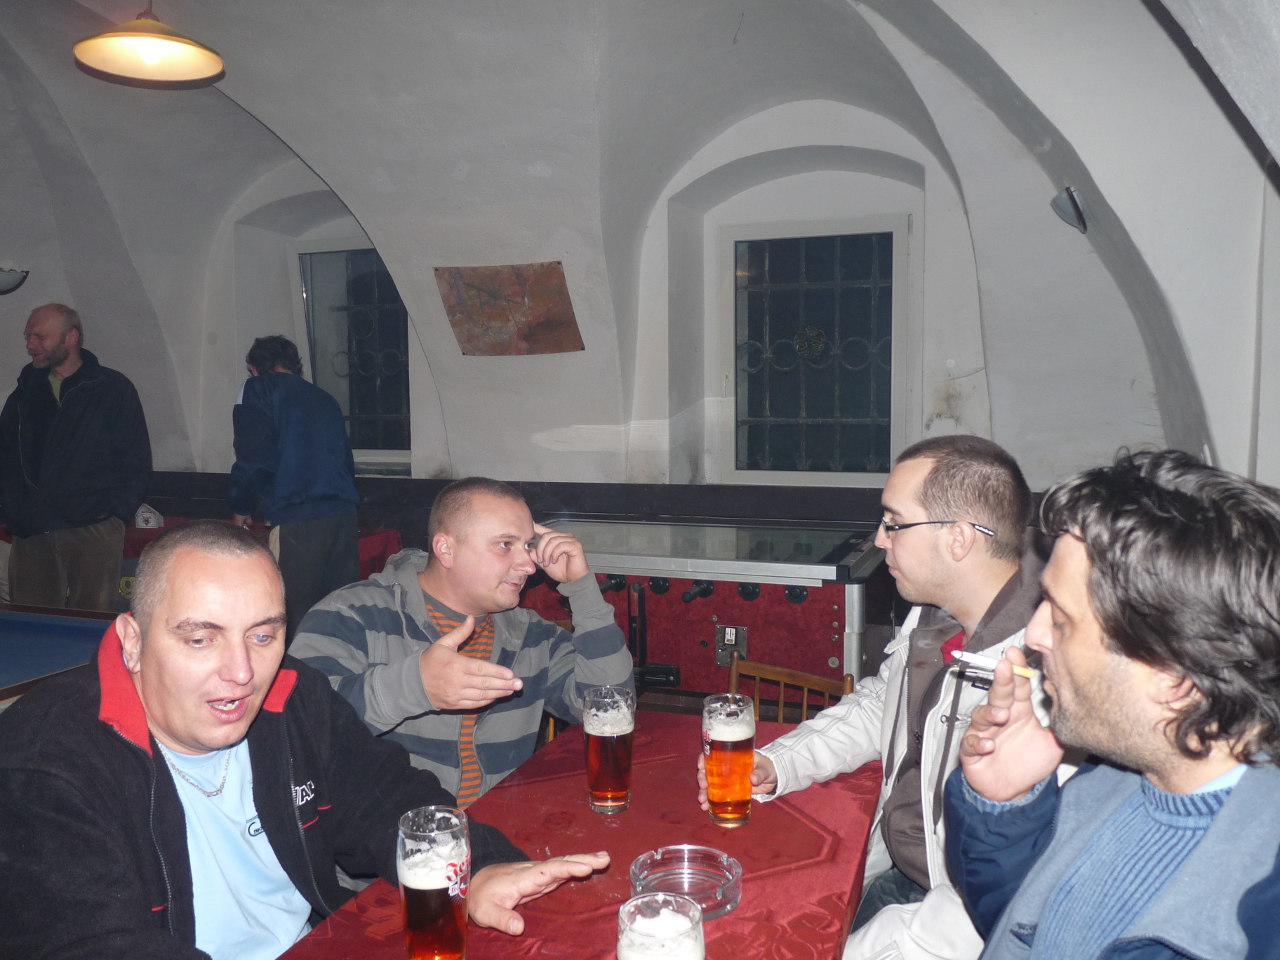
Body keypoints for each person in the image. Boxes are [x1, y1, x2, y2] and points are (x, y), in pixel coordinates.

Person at [0, 520, 609, 960]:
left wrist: (479, 869)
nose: (241, 672)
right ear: (132, 641)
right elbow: (93, 945)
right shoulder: (47, 760)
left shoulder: (292, 697)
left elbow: (386, 795)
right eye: (201, 639)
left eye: (263, 636)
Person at [697, 435, 1046, 960]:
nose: (879, 539)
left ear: (958, 538)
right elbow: (881, 703)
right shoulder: (935, 614)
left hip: (964, 922)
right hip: (899, 871)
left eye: (894, 522)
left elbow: (1005, 904)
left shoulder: (1044, 676)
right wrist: (778, 762)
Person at [945, 450, 1280, 960]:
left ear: (1174, 678)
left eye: (1061, 619)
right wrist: (1006, 810)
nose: (1034, 634)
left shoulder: (1252, 924)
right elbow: (1040, 936)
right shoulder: (1115, 778)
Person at [292, 476, 634, 805]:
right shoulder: (352, 614)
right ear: (446, 549)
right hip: (391, 839)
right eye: (505, 545)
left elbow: (610, 708)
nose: (529, 565)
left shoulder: (531, 635)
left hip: (499, 830)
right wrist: (415, 685)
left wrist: (582, 589)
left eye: (529, 546)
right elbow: (297, 727)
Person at [0, 302, 151, 610]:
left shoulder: (112, 389)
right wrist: (16, 510)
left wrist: (113, 515)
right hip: (33, 530)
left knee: (90, 619)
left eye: (40, 337)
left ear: (71, 337)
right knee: (34, 621)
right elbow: (6, 456)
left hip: (92, 527)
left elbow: (135, 458)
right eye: (28, 337)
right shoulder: (24, 394)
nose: (30, 345)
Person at [228, 334, 360, 640]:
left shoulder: (258, 389)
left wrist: (241, 506)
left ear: (254, 369)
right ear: (295, 365)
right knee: (336, 621)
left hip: (297, 522)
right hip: (343, 518)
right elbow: (345, 462)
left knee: (287, 621)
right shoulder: (325, 399)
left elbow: (253, 457)